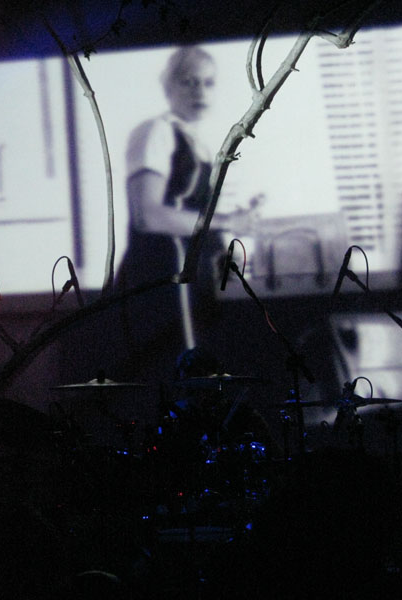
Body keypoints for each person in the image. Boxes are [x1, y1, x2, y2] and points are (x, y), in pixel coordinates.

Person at [114, 46, 257, 379]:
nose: (199, 91)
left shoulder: (197, 143)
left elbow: (191, 218)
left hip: (193, 286)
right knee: (170, 382)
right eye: (188, 82)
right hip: (161, 282)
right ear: (168, 86)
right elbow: (148, 215)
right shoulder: (155, 132)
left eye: (208, 83)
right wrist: (225, 222)